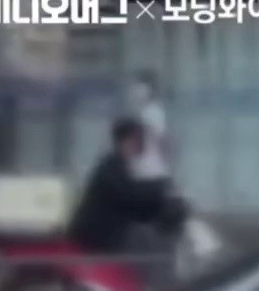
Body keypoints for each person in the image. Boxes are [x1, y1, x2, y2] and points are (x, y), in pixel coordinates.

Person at [68, 119, 185, 281]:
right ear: (127, 140)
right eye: (138, 139)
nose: (141, 144)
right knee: (144, 239)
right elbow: (130, 195)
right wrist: (161, 188)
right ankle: (154, 284)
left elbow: (137, 202)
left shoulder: (120, 166)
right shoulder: (110, 168)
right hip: (100, 238)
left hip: (111, 235)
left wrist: (165, 204)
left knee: (150, 235)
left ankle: (159, 281)